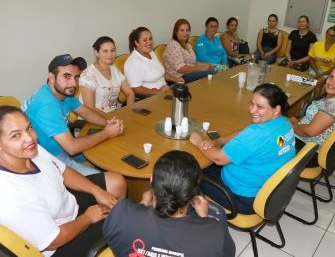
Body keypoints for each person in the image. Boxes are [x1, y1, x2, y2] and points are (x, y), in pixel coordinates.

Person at [0, 106, 126, 257]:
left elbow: (63, 171)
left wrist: (96, 191)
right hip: (59, 243)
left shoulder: (31, 150)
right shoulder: (11, 194)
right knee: (123, 221)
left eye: (29, 128)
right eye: (16, 136)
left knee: (116, 182)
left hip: (65, 204)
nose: (29, 138)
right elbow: (53, 240)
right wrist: (88, 218)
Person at [103, 150, 235, 257]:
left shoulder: (120, 213)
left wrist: (142, 203)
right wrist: (204, 219)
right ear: (193, 194)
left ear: (152, 180)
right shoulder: (213, 233)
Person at [190, 83, 295, 214]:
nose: (252, 110)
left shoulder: (257, 134)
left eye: (260, 107)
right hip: (266, 191)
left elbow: (218, 158)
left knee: (189, 173)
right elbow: (245, 132)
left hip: (241, 197)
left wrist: (198, 141)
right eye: (252, 104)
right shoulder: (285, 123)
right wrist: (219, 141)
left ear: (276, 110)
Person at [23, 54, 124, 176]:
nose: (74, 84)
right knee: (111, 181)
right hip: (48, 159)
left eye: (76, 77)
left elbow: (85, 112)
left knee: (111, 154)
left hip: (63, 147)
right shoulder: (46, 105)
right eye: (67, 76)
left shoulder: (63, 92)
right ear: (51, 78)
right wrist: (107, 132)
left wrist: (108, 123)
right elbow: (72, 147)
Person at [290, 64, 335, 167]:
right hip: (307, 142)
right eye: (331, 77)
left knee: (275, 139)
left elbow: (309, 131)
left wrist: (290, 127)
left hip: (309, 152)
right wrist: (297, 121)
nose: (330, 82)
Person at [79, 36, 135, 117]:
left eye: (112, 50)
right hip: (92, 119)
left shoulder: (115, 70)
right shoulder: (89, 75)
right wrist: (111, 119)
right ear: (97, 53)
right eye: (105, 51)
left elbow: (130, 94)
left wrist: (128, 113)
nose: (110, 54)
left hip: (112, 116)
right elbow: (90, 108)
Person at [124, 27, 183, 97]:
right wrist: (159, 92)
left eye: (150, 39)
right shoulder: (132, 62)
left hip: (166, 91)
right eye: (145, 40)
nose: (149, 42)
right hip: (150, 98)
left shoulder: (151, 52)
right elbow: (136, 89)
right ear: (136, 43)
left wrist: (176, 79)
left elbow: (160, 73)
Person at [163, 18, 216, 83]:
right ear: (176, 32)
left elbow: (193, 62)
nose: (185, 33)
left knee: (214, 69)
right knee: (212, 73)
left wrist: (207, 65)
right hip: (179, 77)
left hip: (190, 72)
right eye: (181, 30)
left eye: (187, 30)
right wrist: (201, 68)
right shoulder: (173, 45)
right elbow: (181, 69)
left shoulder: (187, 44)